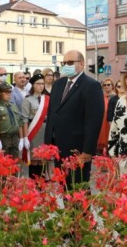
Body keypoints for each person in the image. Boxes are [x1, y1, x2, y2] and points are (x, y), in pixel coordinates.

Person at [44, 50, 104, 186]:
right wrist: (48, 144)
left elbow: (93, 121)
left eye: (70, 62)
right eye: (64, 63)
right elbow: (53, 113)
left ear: (81, 64)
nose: (66, 66)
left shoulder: (91, 86)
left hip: (77, 148)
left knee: (78, 187)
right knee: (63, 185)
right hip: (57, 146)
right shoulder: (58, 84)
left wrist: (88, 150)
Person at [21, 74, 51, 178]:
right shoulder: (27, 99)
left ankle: (42, 184)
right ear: (33, 85)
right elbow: (24, 119)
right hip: (33, 131)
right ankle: (34, 184)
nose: (41, 86)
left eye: (43, 84)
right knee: (34, 160)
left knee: (43, 159)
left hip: (45, 130)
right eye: (38, 84)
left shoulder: (47, 98)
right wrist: (25, 137)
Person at [0, 83, 23, 158]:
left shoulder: (13, 105)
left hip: (15, 137)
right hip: (4, 138)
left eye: (10, 92)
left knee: (15, 162)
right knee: (4, 163)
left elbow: (19, 123)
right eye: (6, 93)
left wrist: (22, 138)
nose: (9, 94)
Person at [97, 78, 115, 154]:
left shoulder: (115, 97)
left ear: (112, 86)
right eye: (104, 85)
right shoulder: (100, 97)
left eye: (108, 84)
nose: (106, 86)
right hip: (102, 122)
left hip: (112, 122)